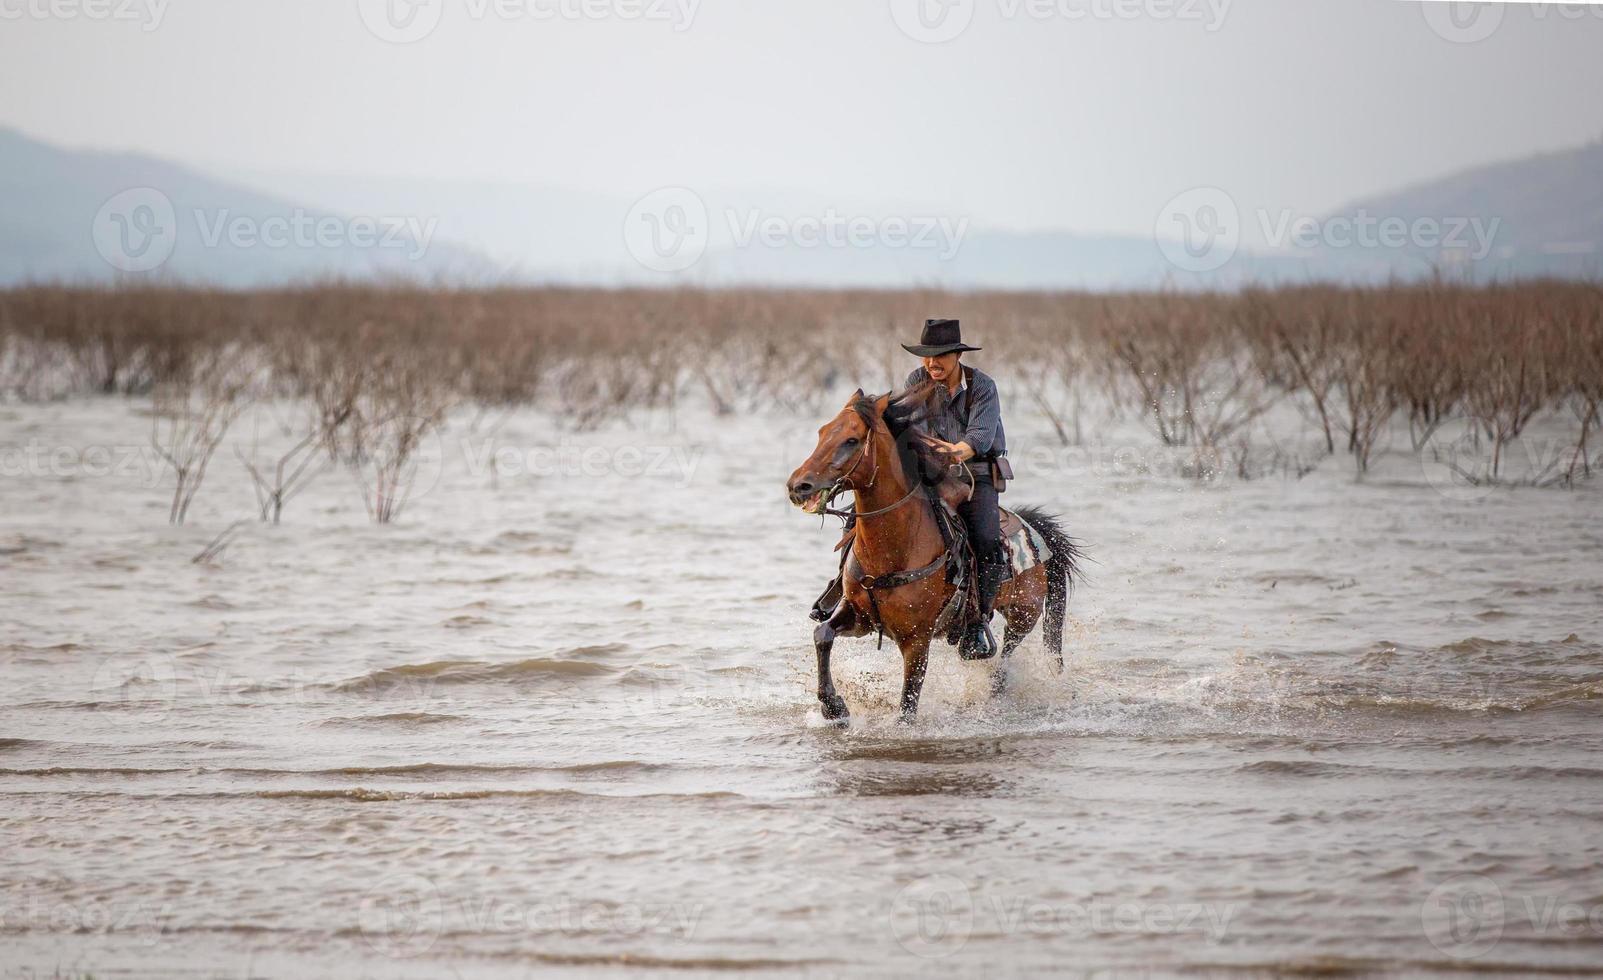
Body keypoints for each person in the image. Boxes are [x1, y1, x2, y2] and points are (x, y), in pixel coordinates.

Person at [901, 318, 1009, 660]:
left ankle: (979, 620)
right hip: (932, 472)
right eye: (926, 356)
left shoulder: (983, 386)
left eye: (941, 355)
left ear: (957, 355)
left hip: (976, 473)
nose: (932, 363)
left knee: (987, 541)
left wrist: (951, 451)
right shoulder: (916, 381)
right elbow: (908, 425)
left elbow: (977, 438)